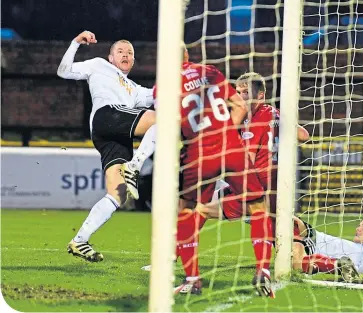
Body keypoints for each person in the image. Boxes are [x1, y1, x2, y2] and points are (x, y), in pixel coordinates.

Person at [168, 50, 275, 297]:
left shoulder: (164, 86)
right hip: (231, 147)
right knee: (260, 208)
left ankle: (192, 279)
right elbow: (238, 106)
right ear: (187, 54)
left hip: (199, 153)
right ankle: (263, 270)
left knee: (186, 210)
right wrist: (227, 132)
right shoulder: (210, 72)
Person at [57, 30, 156, 262]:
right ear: (111, 58)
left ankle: (79, 240)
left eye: (129, 52)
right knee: (160, 119)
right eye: (120, 51)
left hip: (114, 135)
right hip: (107, 116)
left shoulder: (136, 89)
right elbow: (64, 71)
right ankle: (136, 165)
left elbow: (161, 95)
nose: (125, 54)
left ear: (133, 60)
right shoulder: (99, 65)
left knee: (118, 193)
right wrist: (75, 43)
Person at [204, 72, 309, 239]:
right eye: (237, 92)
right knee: (280, 231)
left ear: (260, 95)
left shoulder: (254, 120)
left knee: (198, 208)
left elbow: (247, 162)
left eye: (245, 92)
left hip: (256, 188)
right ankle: (307, 235)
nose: (239, 96)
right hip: (274, 186)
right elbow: (304, 135)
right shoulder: (275, 113)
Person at [292, 213, 363, 282]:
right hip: (311, 239)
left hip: (311, 244)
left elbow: (357, 269)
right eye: (359, 226)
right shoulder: (360, 249)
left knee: (289, 223)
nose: (357, 229)